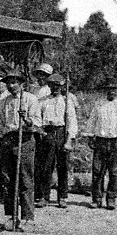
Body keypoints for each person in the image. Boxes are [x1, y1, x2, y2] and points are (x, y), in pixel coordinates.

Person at [0, 69, 41, 231]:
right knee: (8, 178)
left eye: (14, 82)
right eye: (8, 82)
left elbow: (37, 122)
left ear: (22, 84)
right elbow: (1, 123)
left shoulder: (31, 99)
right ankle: (12, 216)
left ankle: (28, 217)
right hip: (8, 139)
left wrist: (26, 119)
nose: (11, 85)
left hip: (25, 140)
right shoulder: (3, 101)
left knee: (25, 178)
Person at [35, 74, 78, 208]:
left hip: (61, 133)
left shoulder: (66, 101)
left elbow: (72, 121)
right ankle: (44, 196)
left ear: (62, 87)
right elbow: (37, 119)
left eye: (58, 86)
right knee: (46, 166)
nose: (55, 88)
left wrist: (69, 140)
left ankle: (62, 197)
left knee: (62, 167)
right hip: (47, 133)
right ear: (49, 86)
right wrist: (41, 131)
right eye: (53, 86)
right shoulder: (42, 101)